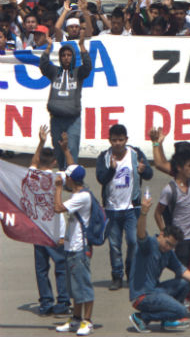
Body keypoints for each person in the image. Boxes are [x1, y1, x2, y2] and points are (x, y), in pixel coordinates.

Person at [129, 192, 190, 333]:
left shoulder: (168, 252)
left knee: (184, 283)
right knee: (181, 311)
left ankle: (167, 319)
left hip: (155, 290)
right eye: (167, 243)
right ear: (161, 235)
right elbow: (140, 234)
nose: (168, 248)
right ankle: (142, 317)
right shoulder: (149, 246)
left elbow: (182, 270)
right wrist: (143, 213)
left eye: (172, 246)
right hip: (142, 296)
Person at [154, 144, 190, 324]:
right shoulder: (169, 190)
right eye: (188, 166)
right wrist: (164, 232)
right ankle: (179, 306)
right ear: (179, 168)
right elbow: (158, 212)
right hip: (183, 240)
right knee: (182, 276)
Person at [95, 123, 153, 291]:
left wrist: (143, 171)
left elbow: (149, 174)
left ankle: (131, 271)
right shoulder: (104, 157)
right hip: (112, 209)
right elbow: (101, 179)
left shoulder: (135, 154)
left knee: (134, 241)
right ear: (109, 140)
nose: (118, 143)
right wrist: (112, 170)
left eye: (121, 140)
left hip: (131, 208)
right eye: (114, 140)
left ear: (126, 140)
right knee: (114, 245)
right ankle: (117, 275)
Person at [29, 125, 70, 316]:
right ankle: (62, 302)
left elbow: (34, 161)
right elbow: (73, 168)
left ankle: (45, 303)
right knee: (61, 267)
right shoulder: (57, 177)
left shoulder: (32, 176)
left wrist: (41, 141)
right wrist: (65, 149)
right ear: (54, 162)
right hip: (56, 230)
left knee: (41, 270)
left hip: (38, 230)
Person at [53, 164, 95, 336]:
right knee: (74, 288)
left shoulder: (83, 196)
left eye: (66, 178)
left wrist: (58, 188)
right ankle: (76, 318)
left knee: (83, 286)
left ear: (71, 179)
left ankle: (87, 321)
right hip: (72, 246)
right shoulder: (78, 194)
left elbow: (58, 207)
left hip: (80, 247)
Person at [39, 38, 92, 169]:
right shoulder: (54, 71)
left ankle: (71, 180)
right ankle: (62, 177)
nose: (66, 58)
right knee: (58, 149)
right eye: (63, 55)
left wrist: (82, 47)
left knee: (71, 148)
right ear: (60, 57)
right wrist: (48, 47)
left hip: (72, 120)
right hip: (56, 118)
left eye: (69, 55)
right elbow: (43, 65)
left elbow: (88, 66)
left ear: (73, 57)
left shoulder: (78, 72)